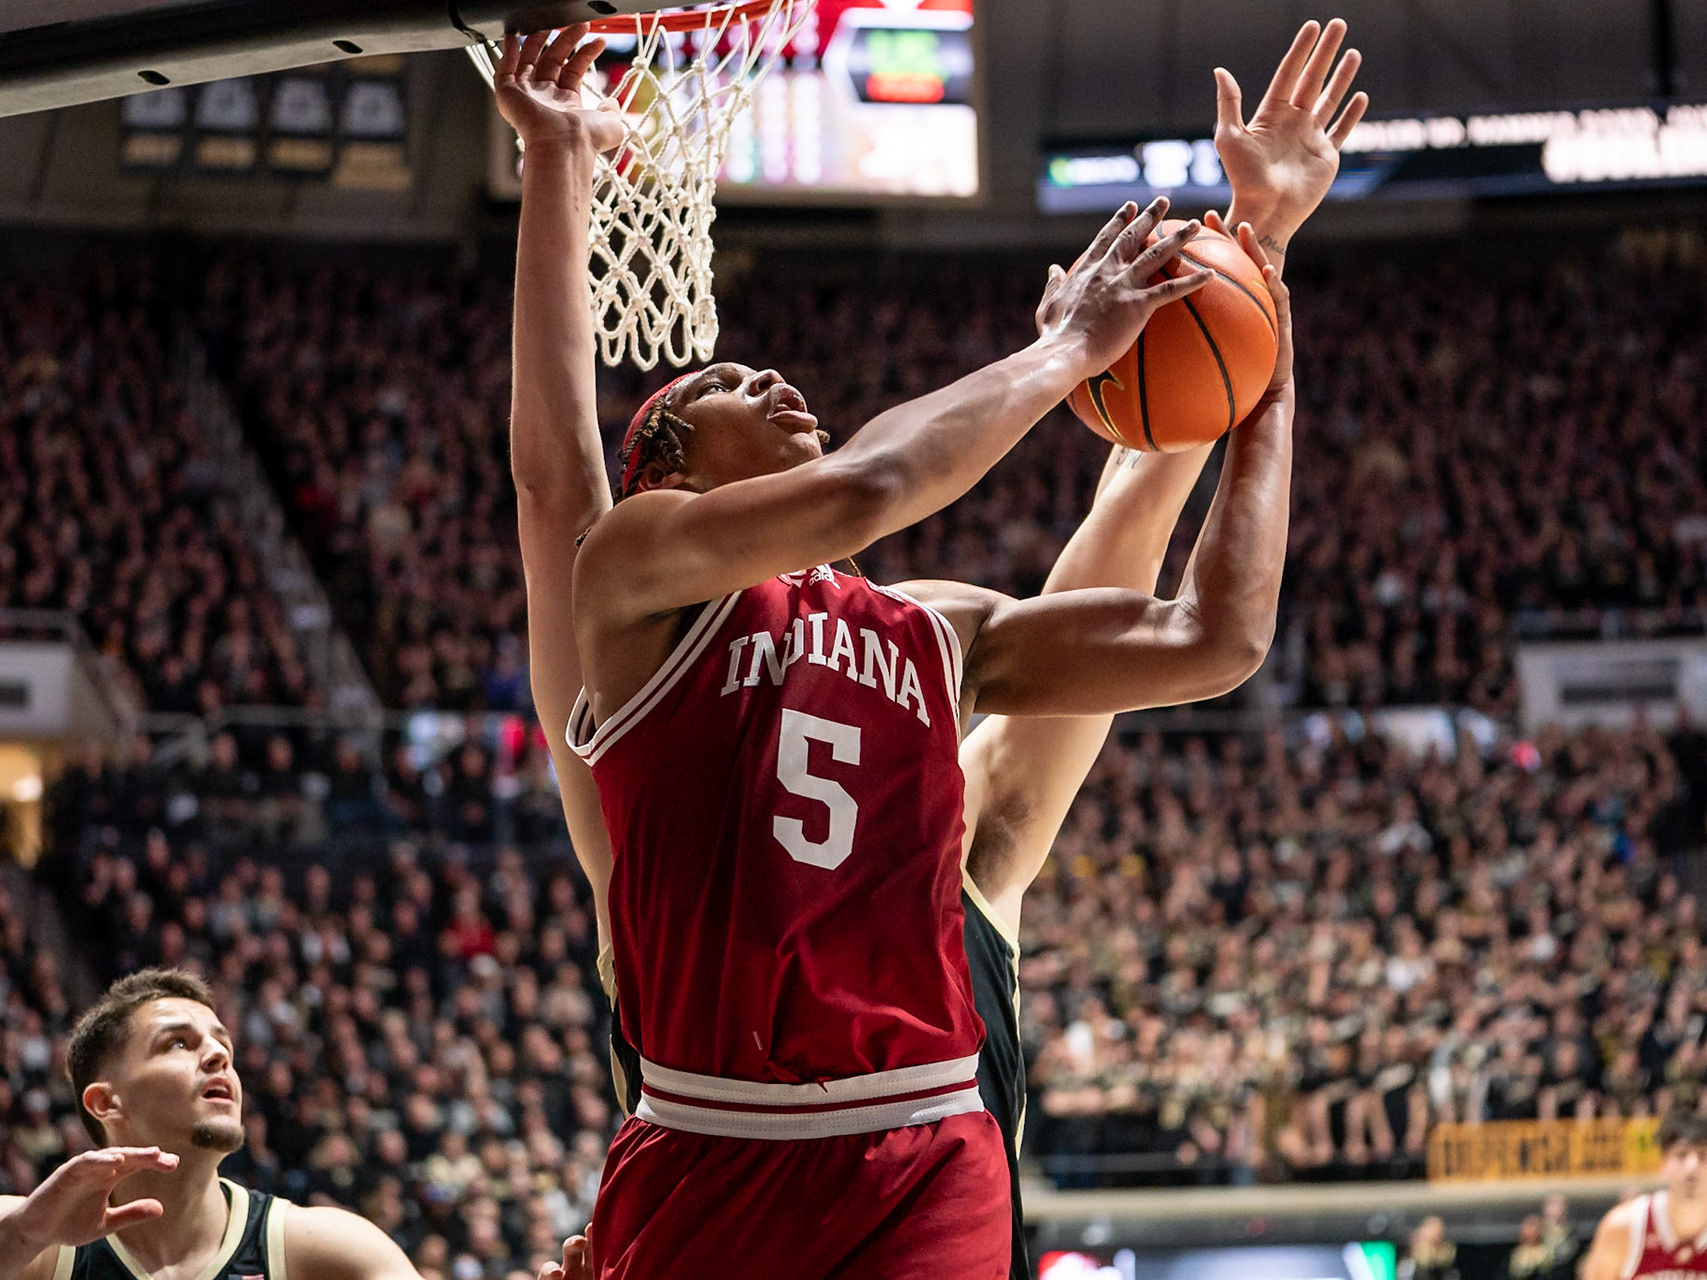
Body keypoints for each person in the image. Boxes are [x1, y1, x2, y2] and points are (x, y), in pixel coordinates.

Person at [499, 17, 1362, 1279]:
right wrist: (555, 166)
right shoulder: (634, 587)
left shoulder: (928, 626)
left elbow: (1207, 634)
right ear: (665, 463)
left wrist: (1261, 323)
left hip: (924, 1125)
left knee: (1000, 831)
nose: (780, 380)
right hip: (716, 1131)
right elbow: (567, 472)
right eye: (729, 378)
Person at [0, 968, 429, 1280]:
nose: (219, 1055)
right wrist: (28, 1233)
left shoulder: (320, 1249)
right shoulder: (27, 1239)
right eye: (178, 1043)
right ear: (107, 1103)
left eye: (223, 1041)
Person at [1579, 1110, 1707, 1280]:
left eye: (1703, 1155)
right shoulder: (1622, 1227)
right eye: (1681, 1154)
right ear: (1663, 1163)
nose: (1691, 1167)